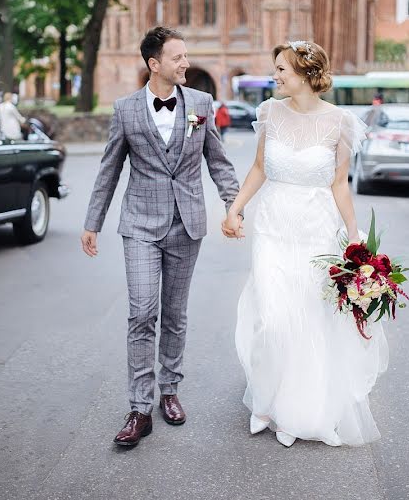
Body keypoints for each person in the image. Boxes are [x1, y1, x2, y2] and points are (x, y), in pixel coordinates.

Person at [222, 40, 388, 448]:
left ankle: (298, 410)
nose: (274, 76)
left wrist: (354, 237)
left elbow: (340, 186)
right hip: (274, 226)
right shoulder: (269, 112)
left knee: (309, 319)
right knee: (272, 317)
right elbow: (260, 167)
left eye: (281, 69)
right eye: (275, 68)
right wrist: (235, 210)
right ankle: (265, 398)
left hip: (316, 230)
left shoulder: (340, 124)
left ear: (306, 74)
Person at [81, 26, 241, 447]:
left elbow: (219, 162)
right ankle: (139, 406)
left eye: (186, 56)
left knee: (174, 312)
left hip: (187, 223)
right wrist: (92, 221)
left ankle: (169, 390)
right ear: (155, 64)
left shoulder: (202, 103)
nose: (185, 63)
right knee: (141, 312)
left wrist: (233, 205)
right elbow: (109, 169)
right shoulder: (126, 110)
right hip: (139, 225)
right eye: (177, 57)